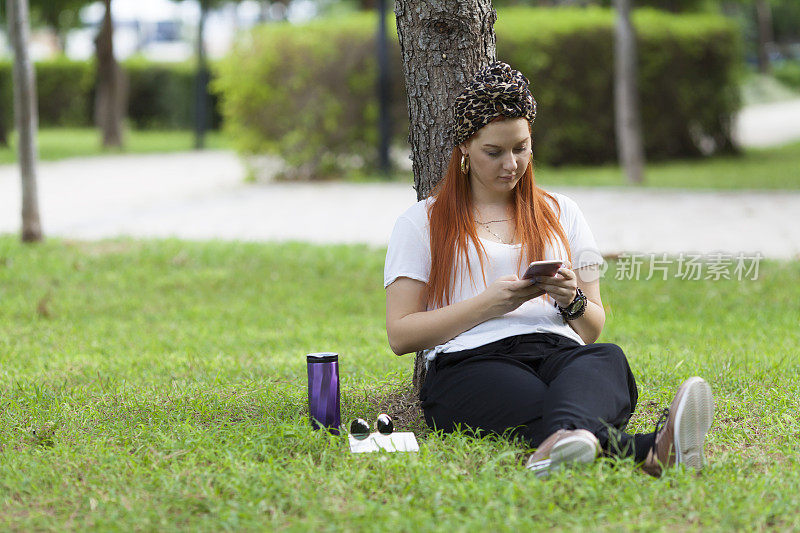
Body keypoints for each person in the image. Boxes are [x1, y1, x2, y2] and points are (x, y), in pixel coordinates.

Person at [383, 61, 714, 477]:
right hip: (470, 362)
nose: (511, 164)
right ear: (465, 147)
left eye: (520, 148)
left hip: (556, 351)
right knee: (548, 399)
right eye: (494, 152)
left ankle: (567, 443)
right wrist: (487, 305)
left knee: (605, 359)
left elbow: (592, 327)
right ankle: (650, 447)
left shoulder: (562, 212)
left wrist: (570, 298)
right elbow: (400, 335)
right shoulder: (421, 222)